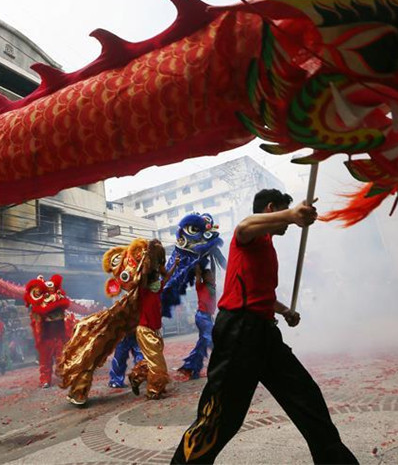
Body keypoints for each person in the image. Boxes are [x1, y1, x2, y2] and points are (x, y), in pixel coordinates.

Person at [172, 189, 357, 464]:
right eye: (282, 212)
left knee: (306, 397)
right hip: (238, 333)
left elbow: (262, 296)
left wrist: (285, 311)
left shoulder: (267, 244)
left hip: (264, 333)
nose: (286, 223)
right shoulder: (249, 235)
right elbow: (245, 225)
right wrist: (293, 215)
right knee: (220, 416)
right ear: (271, 208)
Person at [128, 240, 170, 400]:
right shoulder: (143, 287)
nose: (159, 273)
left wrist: (175, 264)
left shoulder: (157, 287)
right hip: (144, 330)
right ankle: (154, 390)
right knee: (158, 363)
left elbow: (167, 276)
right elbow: (144, 273)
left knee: (153, 360)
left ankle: (136, 376)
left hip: (154, 330)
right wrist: (148, 256)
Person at [177, 265, 216, 380]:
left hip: (208, 317)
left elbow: (213, 269)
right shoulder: (200, 286)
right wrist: (198, 262)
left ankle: (192, 368)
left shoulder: (212, 286)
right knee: (212, 341)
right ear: (204, 277)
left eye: (212, 275)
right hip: (202, 317)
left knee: (202, 346)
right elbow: (198, 274)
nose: (212, 277)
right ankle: (220, 365)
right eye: (209, 275)